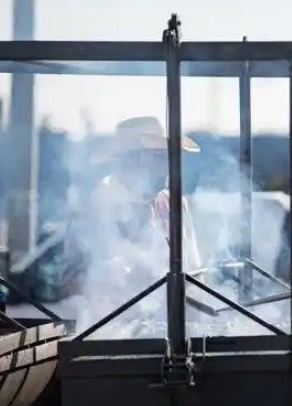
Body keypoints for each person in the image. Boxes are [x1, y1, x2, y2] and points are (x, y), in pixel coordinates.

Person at [62, 116, 202, 296]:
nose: (167, 165)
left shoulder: (174, 203)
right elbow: (70, 283)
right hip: (109, 321)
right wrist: (113, 278)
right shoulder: (95, 205)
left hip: (165, 322)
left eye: (166, 156)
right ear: (128, 160)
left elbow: (194, 273)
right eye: (157, 156)